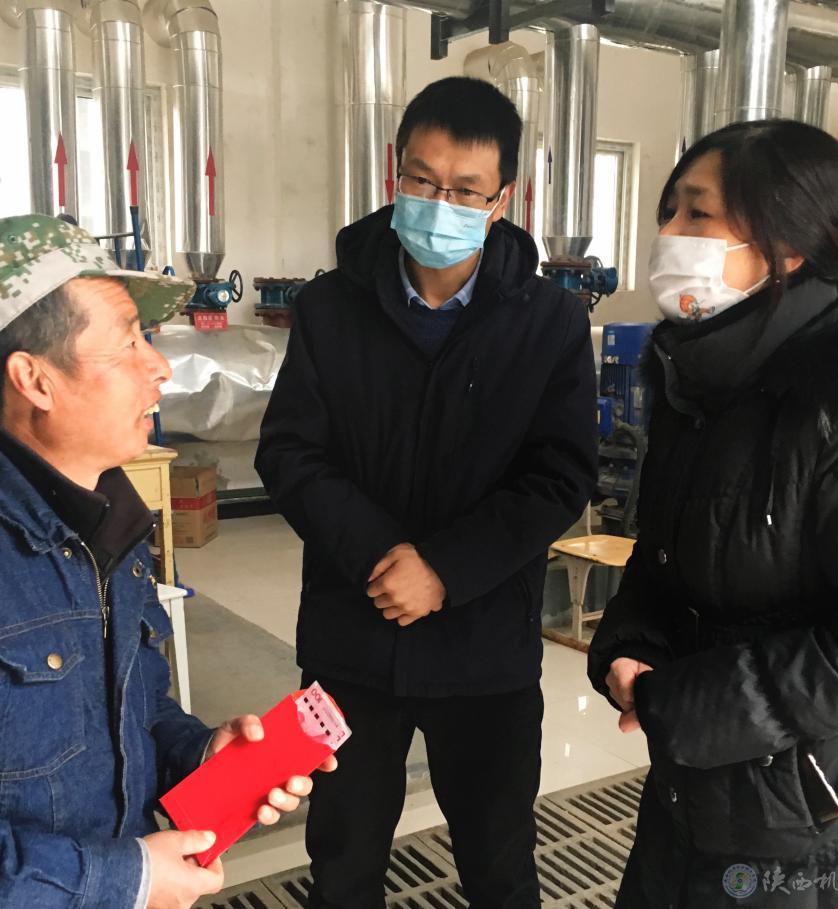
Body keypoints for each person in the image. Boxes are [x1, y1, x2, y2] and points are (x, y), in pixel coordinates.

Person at [0, 215, 332, 909]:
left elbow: (132, 711)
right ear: (34, 380)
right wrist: (125, 879)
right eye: (128, 343)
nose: (159, 367)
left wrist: (200, 754)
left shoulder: (107, 521)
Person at [587, 119, 838, 908]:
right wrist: (629, 644)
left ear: (787, 245)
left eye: (697, 213)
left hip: (822, 823)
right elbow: (663, 557)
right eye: (668, 210)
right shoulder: (698, 377)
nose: (669, 232)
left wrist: (689, 706)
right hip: (697, 801)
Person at [255, 76, 598, 908]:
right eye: (422, 179)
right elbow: (289, 450)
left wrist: (445, 567)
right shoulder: (330, 306)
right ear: (394, 170)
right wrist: (381, 555)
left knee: (499, 864)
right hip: (350, 636)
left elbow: (559, 472)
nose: (439, 203)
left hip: (485, 647)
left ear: (501, 199)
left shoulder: (549, 321)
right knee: (342, 863)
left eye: (465, 190)